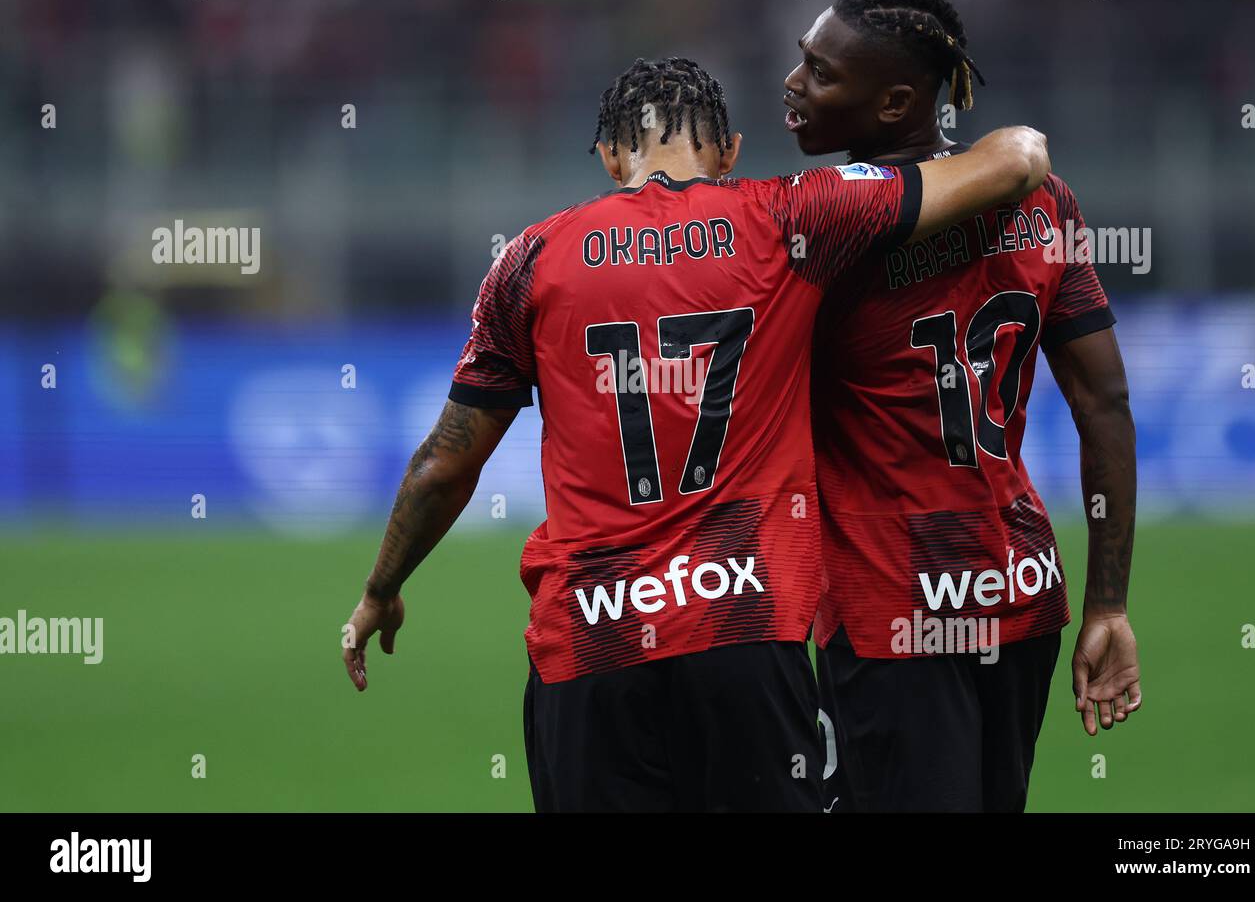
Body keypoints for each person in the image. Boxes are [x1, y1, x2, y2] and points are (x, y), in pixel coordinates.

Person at [342, 55, 1051, 811]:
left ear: (612, 156)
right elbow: (1016, 162)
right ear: (732, 150)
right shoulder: (792, 218)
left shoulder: (529, 260)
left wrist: (380, 590)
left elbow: (443, 467)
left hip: (590, 645)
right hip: (746, 638)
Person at [782, 0, 1141, 812]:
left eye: (821, 72)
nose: (794, 85)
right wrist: (1110, 605)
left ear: (896, 101)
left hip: (890, 603)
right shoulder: (1045, 203)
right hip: (1017, 589)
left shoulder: (824, 226)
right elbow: (1105, 406)